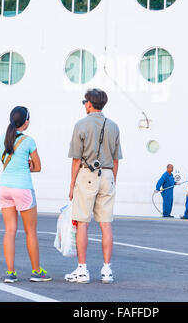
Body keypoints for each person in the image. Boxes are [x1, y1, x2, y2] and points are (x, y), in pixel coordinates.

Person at [66, 88, 122, 284]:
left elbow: (75, 159)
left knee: (83, 222)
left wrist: (72, 184)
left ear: (89, 103)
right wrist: (112, 179)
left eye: (85, 102)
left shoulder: (81, 125)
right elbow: (116, 160)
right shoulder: (114, 126)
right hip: (107, 174)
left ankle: (82, 270)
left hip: (86, 173)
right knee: (105, 224)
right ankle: (106, 270)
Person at [0, 106, 52, 283]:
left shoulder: (0, 140)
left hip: (4, 187)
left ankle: (10, 273)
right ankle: (36, 271)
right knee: (30, 232)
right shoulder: (29, 141)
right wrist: (28, 164)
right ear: (25, 122)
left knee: (9, 231)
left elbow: (7, 162)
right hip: (23, 188)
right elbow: (38, 167)